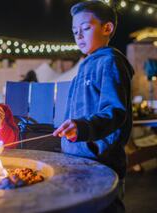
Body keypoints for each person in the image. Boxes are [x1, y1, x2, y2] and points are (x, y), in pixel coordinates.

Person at [52, 1, 134, 212]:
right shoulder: (85, 66)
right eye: (74, 31)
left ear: (107, 28)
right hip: (77, 159)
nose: (78, 36)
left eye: (86, 28)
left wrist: (83, 127)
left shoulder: (111, 62)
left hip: (101, 163)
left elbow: (114, 112)